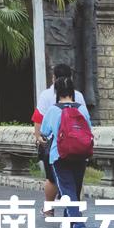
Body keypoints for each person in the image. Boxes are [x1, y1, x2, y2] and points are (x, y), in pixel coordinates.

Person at [40, 76, 91, 228]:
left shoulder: (54, 110)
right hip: (81, 154)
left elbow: (45, 132)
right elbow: (88, 129)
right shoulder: (82, 109)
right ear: (72, 92)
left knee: (67, 190)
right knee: (75, 188)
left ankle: (78, 224)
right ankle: (70, 223)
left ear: (57, 92)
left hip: (60, 155)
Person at [32, 63, 86, 215]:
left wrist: (38, 138)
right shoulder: (79, 96)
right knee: (75, 180)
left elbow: (39, 119)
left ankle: (49, 209)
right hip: (76, 144)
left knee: (52, 179)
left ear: (54, 77)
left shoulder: (46, 96)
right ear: (71, 78)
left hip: (53, 145)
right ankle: (74, 212)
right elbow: (86, 122)